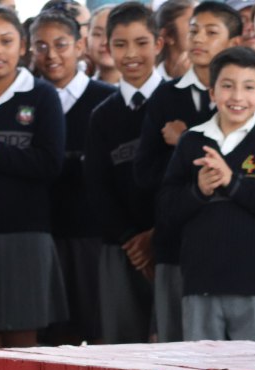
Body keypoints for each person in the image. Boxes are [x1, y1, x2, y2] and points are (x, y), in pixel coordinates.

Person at [159, 46, 255, 342]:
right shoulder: (192, 141)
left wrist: (232, 182)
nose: (237, 97)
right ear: (212, 92)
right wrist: (199, 190)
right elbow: (166, 211)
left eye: (248, 87)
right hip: (199, 281)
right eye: (227, 86)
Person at [136, 0, 241, 343]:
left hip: (234, 244)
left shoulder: (249, 96)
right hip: (176, 242)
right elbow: (145, 174)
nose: (198, 39)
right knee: (178, 347)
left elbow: (245, 170)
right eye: (194, 29)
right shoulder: (166, 96)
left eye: (212, 32)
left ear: (233, 43)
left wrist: (185, 142)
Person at [0, 6, 67, 350]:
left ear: (22, 46)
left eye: (5, 41)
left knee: (24, 341)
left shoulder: (42, 95)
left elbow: (50, 164)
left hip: (27, 234)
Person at [33, 11, 114, 344]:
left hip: (91, 236)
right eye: (41, 45)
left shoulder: (106, 99)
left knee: (95, 333)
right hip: (40, 234)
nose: (51, 55)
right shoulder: (28, 98)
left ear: (80, 45)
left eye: (61, 44)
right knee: (46, 338)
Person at [84, 0, 161, 344]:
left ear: (159, 44)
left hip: (173, 245)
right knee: (124, 347)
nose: (131, 54)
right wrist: (133, 240)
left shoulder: (181, 101)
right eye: (120, 44)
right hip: (121, 248)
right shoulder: (102, 115)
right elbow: (98, 187)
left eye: (141, 43)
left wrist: (157, 235)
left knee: (178, 345)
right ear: (107, 47)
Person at [86, 5, 120, 85]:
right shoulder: (80, 90)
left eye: (113, 33)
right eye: (98, 34)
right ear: (86, 41)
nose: (105, 42)